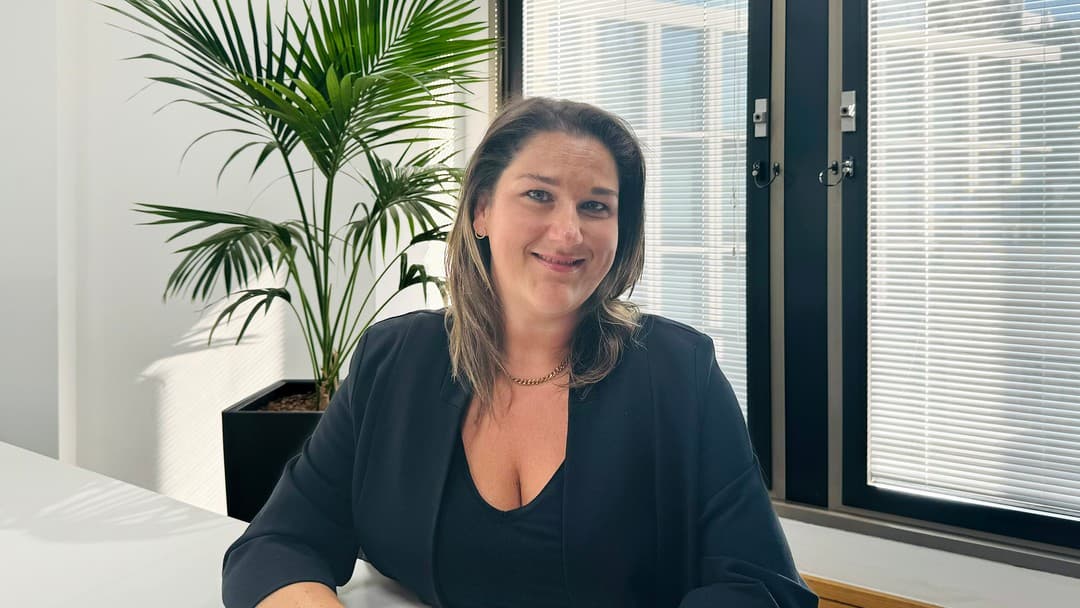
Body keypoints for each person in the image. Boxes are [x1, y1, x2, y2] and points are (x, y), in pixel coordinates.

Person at [222, 97, 818, 608]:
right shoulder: (392, 359)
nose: (568, 232)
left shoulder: (680, 372)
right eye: (539, 195)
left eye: (596, 206)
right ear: (481, 210)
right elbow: (279, 542)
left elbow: (761, 585)